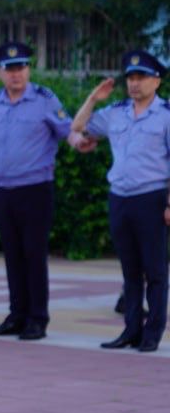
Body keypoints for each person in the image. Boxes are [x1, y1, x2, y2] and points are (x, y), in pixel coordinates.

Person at [68, 50, 170, 353]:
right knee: (129, 270)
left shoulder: (165, 115)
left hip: (151, 197)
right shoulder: (116, 112)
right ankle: (130, 330)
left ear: (157, 81)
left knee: (155, 270)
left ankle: (152, 334)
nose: (135, 83)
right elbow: (77, 128)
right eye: (131, 78)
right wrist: (93, 99)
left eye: (142, 78)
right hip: (120, 198)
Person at [0, 41, 71, 341]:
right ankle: (17, 314)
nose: (15, 74)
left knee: (33, 254)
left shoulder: (45, 99)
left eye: (20, 68)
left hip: (35, 189)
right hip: (3, 189)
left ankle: (37, 318)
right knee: (12, 255)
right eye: (9, 69)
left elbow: (67, 131)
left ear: (29, 69)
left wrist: (82, 140)